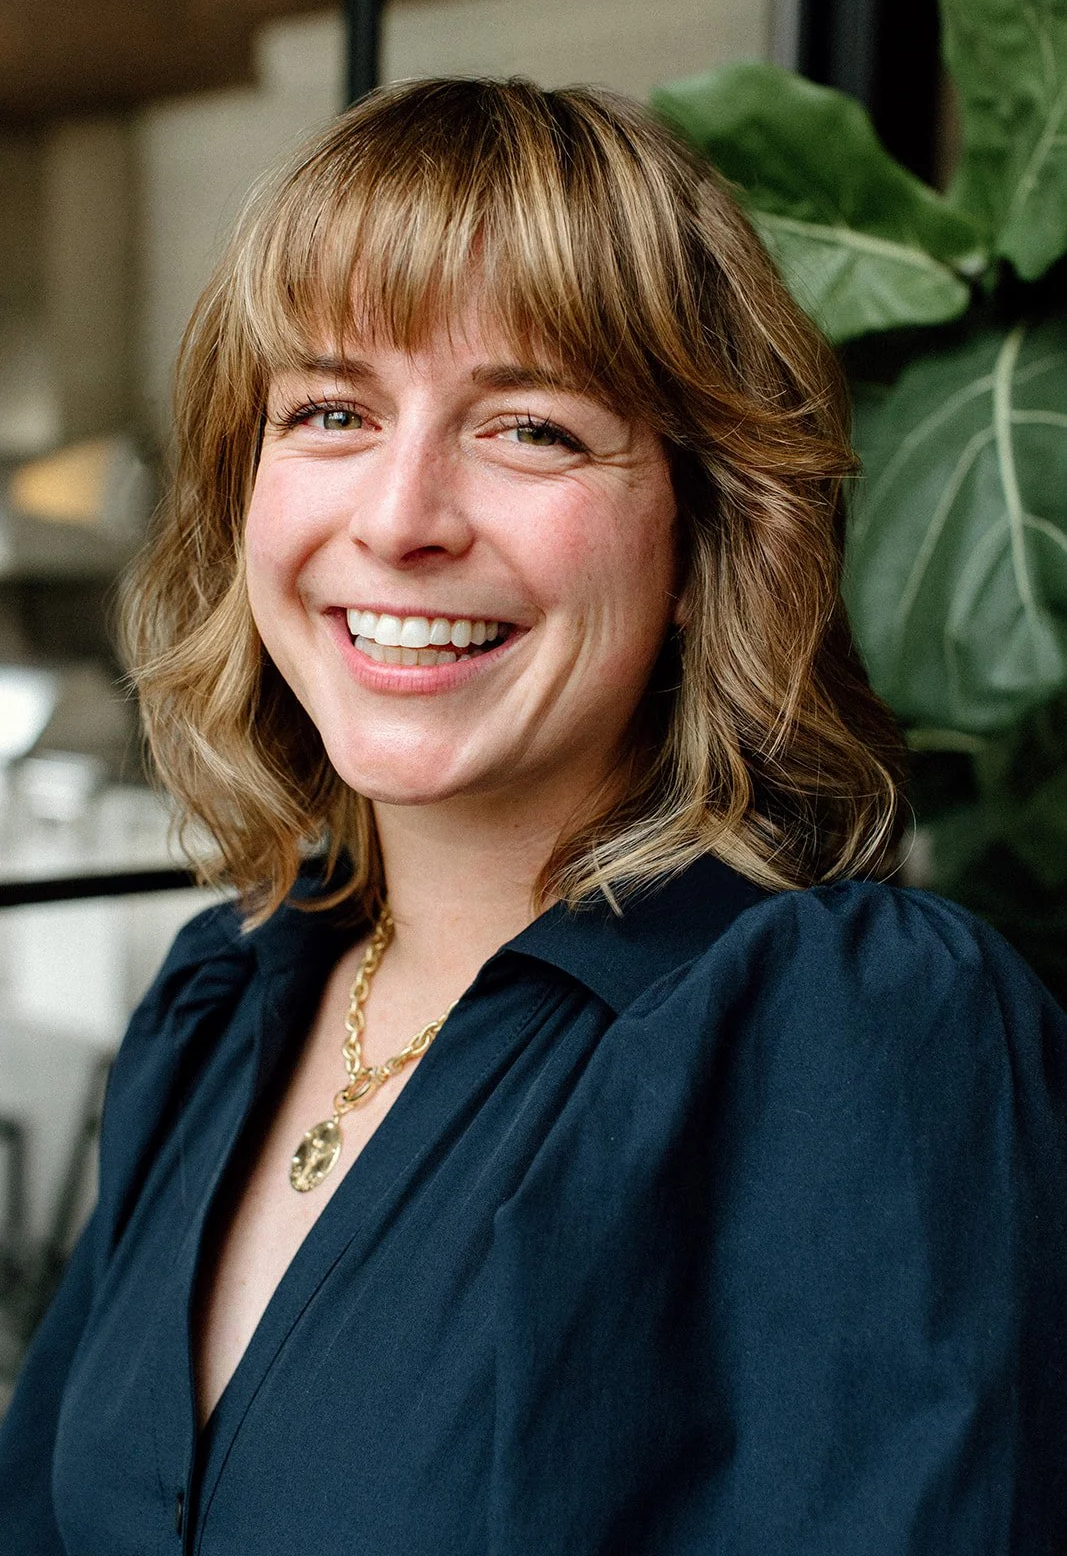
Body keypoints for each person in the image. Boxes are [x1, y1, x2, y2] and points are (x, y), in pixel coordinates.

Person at [1, 77, 1065, 1554]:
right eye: (330, 410)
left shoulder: (855, 1031)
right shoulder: (221, 995)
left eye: (531, 431)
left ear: (704, 534)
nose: (398, 515)